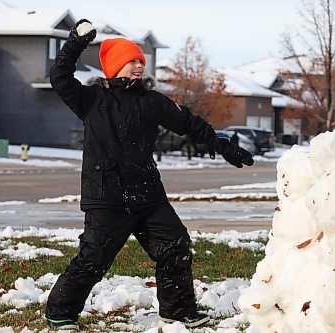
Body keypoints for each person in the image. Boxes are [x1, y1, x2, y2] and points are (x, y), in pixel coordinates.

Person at [45, 19, 254, 330]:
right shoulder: (91, 99)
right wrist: (75, 42)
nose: (138, 67)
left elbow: (188, 123)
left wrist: (221, 144)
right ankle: (60, 312)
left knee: (175, 246)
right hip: (107, 196)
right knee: (94, 259)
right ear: (115, 66)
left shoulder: (151, 101)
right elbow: (60, 77)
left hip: (147, 195)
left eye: (141, 62)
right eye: (132, 61)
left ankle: (178, 309)